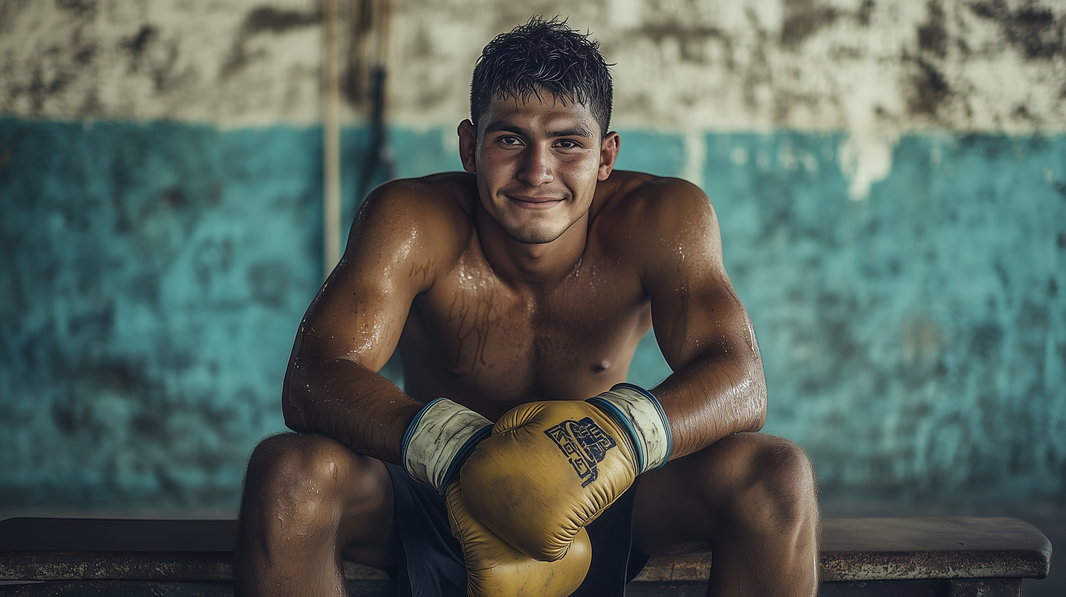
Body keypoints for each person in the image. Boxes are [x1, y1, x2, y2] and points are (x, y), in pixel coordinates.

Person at [234, 16, 819, 597]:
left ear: (606, 156)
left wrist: (611, 441)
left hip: (594, 494)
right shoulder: (409, 220)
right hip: (431, 487)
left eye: (568, 142)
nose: (538, 171)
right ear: (470, 146)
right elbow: (313, 377)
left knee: (776, 477)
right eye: (510, 139)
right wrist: (461, 452)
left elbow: (742, 380)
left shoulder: (663, 219)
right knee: (288, 474)